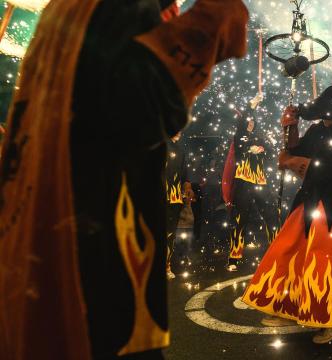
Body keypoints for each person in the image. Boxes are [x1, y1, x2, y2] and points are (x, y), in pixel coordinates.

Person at [0, 0, 248, 358]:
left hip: (39, 232)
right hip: (97, 247)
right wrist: (207, 26)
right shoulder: (126, 7)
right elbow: (142, 111)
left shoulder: (68, 9)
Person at [241, 85, 332, 344]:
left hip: (331, 208)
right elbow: (297, 150)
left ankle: (331, 319)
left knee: (323, 264)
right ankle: (286, 307)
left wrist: (295, 163)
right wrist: (290, 126)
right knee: (290, 253)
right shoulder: (317, 129)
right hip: (307, 201)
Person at [221, 107, 273, 271]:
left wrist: (262, 149)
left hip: (260, 181)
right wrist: (251, 105)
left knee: (271, 215)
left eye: (253, 121)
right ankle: (233, 258)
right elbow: (243, 146)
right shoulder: (238, 136)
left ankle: (276, 251)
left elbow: (270, 152)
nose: (251, 123)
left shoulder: (260, 137)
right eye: (248, 120)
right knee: (239, 220)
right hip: (244, 181)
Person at [165, 132, 193, 279]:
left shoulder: (180, 150)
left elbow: (184, 175)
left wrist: (187, 189)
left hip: (174, 199)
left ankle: (166, 266)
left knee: (169, 235)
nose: (179, 131)